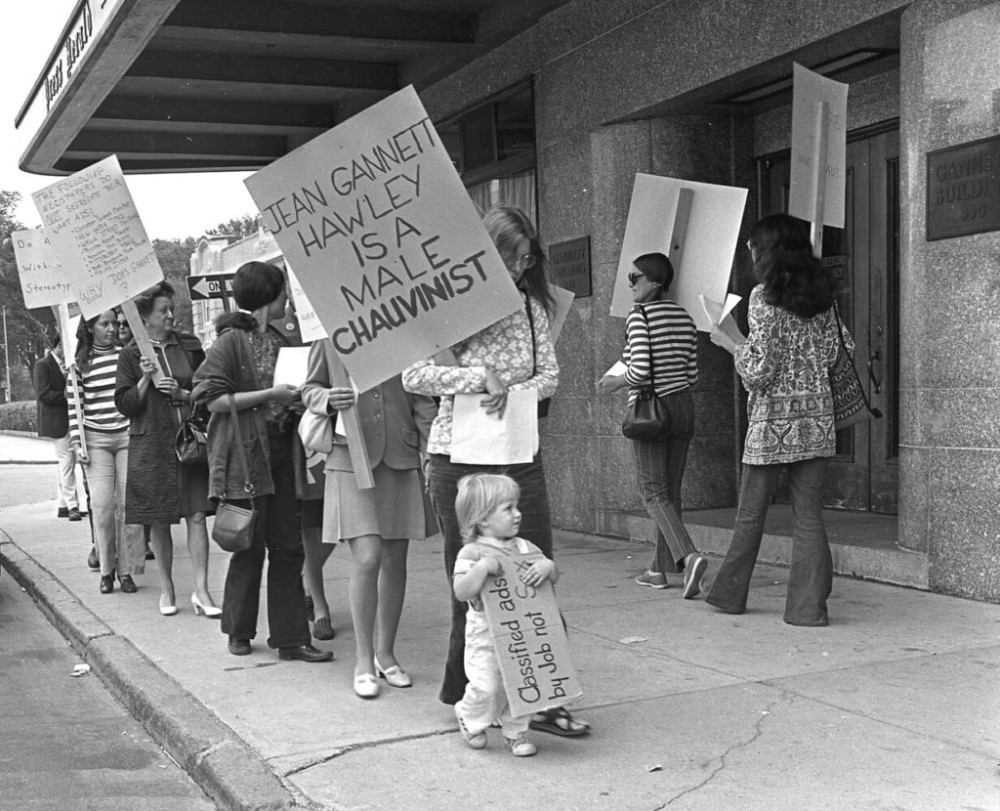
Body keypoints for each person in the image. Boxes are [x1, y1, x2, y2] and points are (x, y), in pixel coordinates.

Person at [402, 204, 589, 737]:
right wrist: (476, 378)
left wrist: (513, 390)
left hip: (517, 453)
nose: (518, 268)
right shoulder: (448, 303)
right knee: (473, 578)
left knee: (534, 572)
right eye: (511, 256)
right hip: (457, 459)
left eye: (526, 259)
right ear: (486, 252)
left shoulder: (533, 307)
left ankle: (546, 698)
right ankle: (470, 695)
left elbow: (550, 376)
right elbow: (414, 374)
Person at [705, 213, 846, 626]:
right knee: (809, 516)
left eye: (752, 247)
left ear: (765, 251)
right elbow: (839, 354)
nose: (749, 253)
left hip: (771, 424)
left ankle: (730, 595)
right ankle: (807, 609)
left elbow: (759, 372)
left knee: (751, 513)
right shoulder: (824, 297)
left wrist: (731, 342)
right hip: (817, 420)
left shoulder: (763, 299)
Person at [191, 261, 331, 663]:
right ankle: (238, 630)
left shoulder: (278, 336)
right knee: (248, 545)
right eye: (284, 292)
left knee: (288, 547)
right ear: (270, 296)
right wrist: (270, 395)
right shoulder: (230, 341)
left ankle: (291, 638)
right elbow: (209, 398)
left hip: (282, 452)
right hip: (246, 455)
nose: (289, 299)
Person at [301, 339, 436, 698]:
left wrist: (431, 449)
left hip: (400, 455)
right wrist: (327, 399)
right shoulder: (327, 336)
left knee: (395, 559)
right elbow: (308, 389)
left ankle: (385, 653)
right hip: (350, 455)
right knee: (368, 557)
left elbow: (421, 396)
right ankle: (363, 657)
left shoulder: (401, 325)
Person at [597, 252, 707, 597]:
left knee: (653, 492)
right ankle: (659, 570)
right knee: (669, 493)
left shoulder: (640, 315)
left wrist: (616, 382)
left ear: (656, 281)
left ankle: (689, 558)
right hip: (683, 407)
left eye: (635, 278)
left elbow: (641, 371)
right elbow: (691, 373)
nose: (630, 285)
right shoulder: (685, 317)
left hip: (652, 409)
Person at [115, 282, 219, 618]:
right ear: (144, 317)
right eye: (163, 310)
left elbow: (208, 388)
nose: (171, 315)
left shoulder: (188, 346)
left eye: (171, 309)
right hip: (153, 445)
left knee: (197, 515)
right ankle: (167, 588)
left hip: (189, 440)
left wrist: (184, 393)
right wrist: (145, 381)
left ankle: (201, 591)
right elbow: (125, 405)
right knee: (159, 519)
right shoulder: (131, 355)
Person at [452, 473, 558, 757]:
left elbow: (551, 576)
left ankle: (516, 732)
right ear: (483, 518)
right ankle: (469, 716)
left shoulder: (525, 547)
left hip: (522, 632)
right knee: (487, 686)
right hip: (485, 636)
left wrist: (547, 567)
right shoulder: (471, 552)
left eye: (517, 506)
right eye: (508, 508)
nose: (518, 514)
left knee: (523, 682)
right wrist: (482, 567)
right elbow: (461, 591)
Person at [69, 309, 145, 595]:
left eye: (114, 323)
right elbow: (74, 407)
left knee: (126, 506)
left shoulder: (125, 357)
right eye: (105, 324)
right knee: (102, 507)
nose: (112, 329)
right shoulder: (78, 363)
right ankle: (106, 569)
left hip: (126, 436)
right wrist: (78, 443)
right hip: (96, 440)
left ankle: (126, 572)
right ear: (91, 328)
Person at [33, 335, 83, 522]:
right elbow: (43, 394)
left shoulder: (69, 365)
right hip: (57, 422)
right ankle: (72, 505)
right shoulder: (43, 365)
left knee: (65, 463)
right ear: (59, 346)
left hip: (71, 420)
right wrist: (68, 395)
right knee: (67, 462)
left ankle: (63, 504)